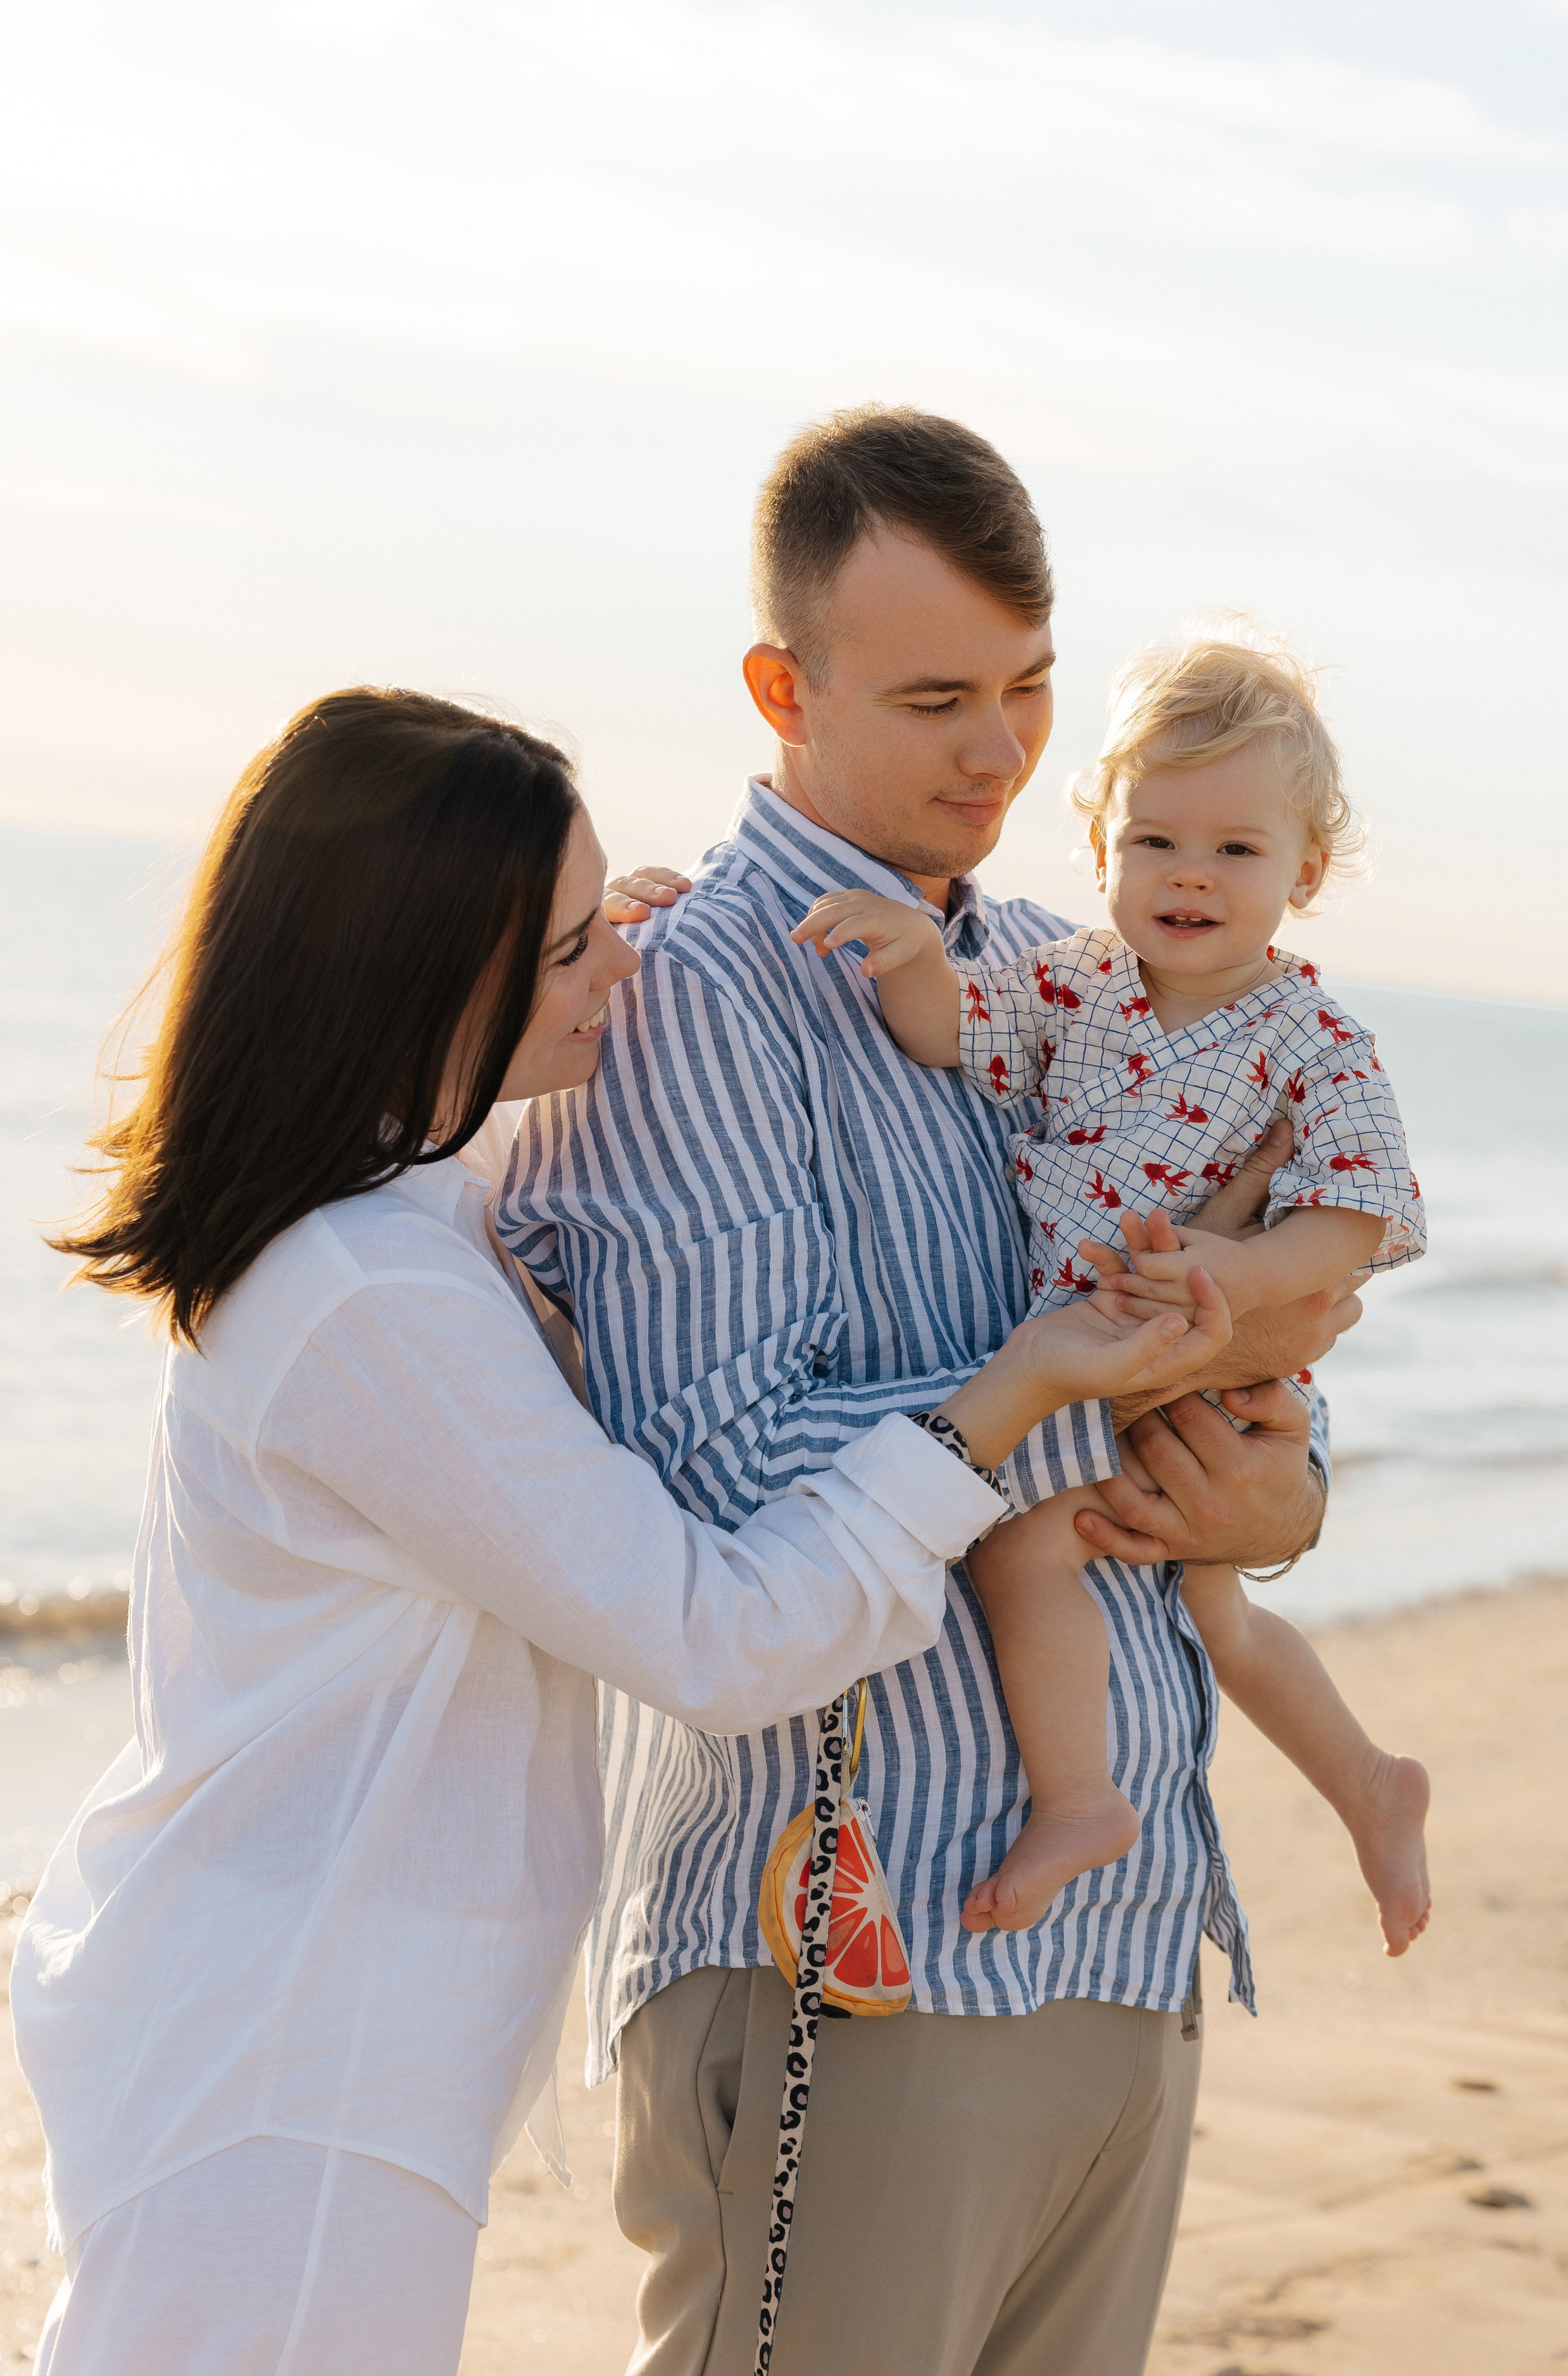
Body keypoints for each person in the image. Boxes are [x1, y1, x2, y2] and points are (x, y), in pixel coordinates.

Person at [8, 688, 1201, 2376]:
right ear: (422, 982)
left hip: (306, 2030)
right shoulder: (370, 1298)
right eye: (574, 948)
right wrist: (1000, 1406)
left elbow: (514, 1251)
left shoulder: (401, 1221)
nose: (628, 970)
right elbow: (712, 1636)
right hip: (292, 2060)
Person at [501, 408, 1365, 2376]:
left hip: (1130, 1932)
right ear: (782, 689)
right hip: (856, 1967)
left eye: (1035, 686)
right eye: (938, 697)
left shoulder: (1093, 972)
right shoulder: (684, 993)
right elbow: (711, 1477)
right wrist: (1084, 1397)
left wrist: (1280, 1488)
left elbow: (1264, 1367)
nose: (1004, 751)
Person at [791, 627, 1433, 1951]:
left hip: (1197, 1354)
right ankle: (1370, 1782)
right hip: (1091, 1359)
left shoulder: (1311, 1039)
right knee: (1201, 1597)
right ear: (1102, 848)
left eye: (1235, 850)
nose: (1188, 875)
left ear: (1301, 871)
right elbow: (949, 1032)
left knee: (1060, 1551)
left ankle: (1083, 1801)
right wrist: (912, 952)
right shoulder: (1070, 981)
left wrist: (1241, 1267)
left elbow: (1362, 1213)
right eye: (1155, 841)